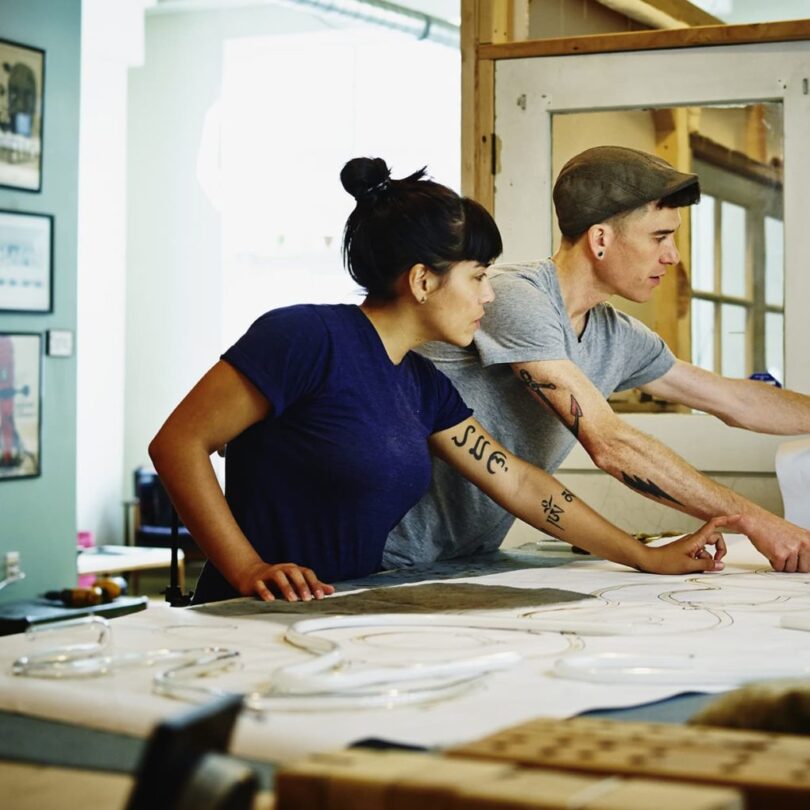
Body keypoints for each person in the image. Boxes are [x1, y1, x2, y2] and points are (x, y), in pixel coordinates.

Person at [149, 156, 736, 604]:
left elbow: (518, 483)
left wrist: (643, 556)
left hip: (343, 611)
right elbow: (177, 444)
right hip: (250, 614)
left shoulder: (421, 383)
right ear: (423, 281)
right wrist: (246, 567)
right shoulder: (304, 338)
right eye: (477, 277)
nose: (489, 294)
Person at [384, 145, 810, 575]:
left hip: (460, 562)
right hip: (381, 556)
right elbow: (611, 444)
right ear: (601, 239)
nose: (673, 256)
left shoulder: (616, 335)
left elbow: (734, 400)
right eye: (659, 237)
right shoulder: (510, 297)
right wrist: (756, 521)